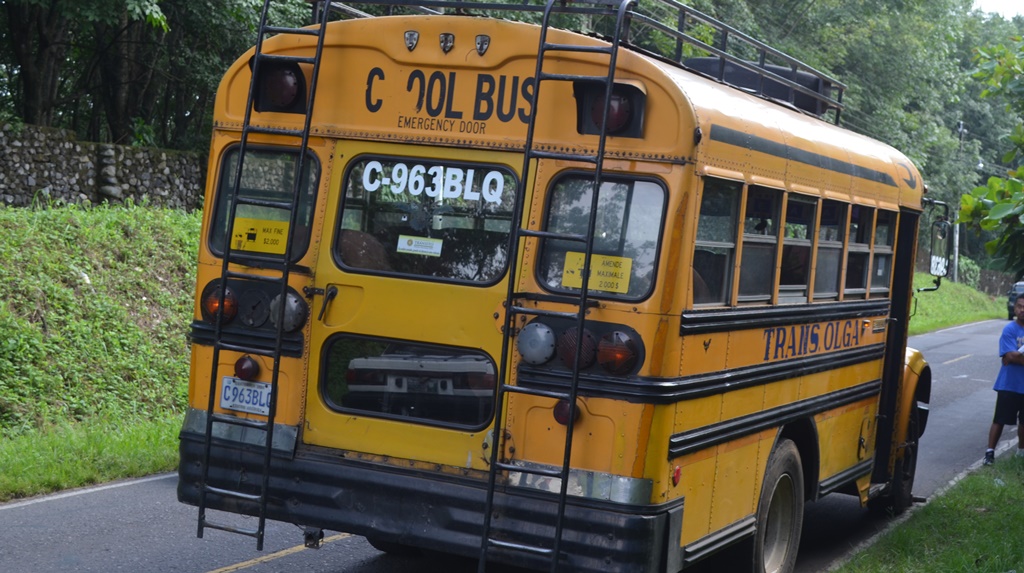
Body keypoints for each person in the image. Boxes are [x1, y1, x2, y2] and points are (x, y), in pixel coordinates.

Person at [984, 293, 1024, 464]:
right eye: (1020, 306)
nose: (1023, 310)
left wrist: (1014, 357)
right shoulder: (1009, 330)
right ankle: (990, 452)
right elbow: (1008, 356)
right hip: (1009, 384)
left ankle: (1020, 452)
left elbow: (1013, 357)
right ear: (1014, 309)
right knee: (999, 419)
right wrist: (1012, 356)